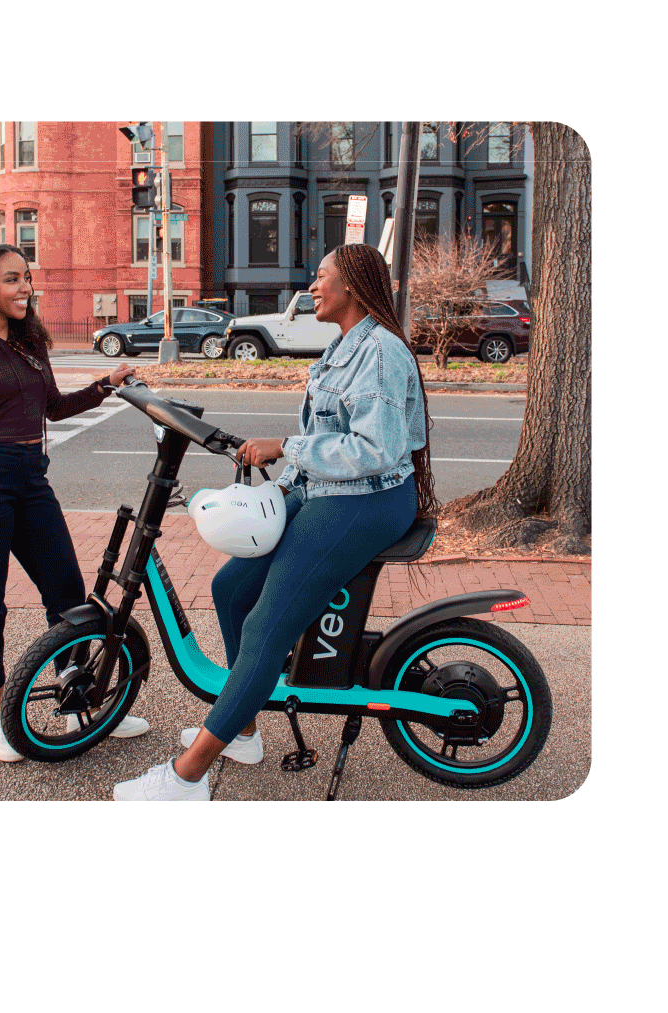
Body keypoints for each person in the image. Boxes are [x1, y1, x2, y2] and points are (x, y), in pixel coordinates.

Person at [114, 243, 437, 800]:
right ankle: (241, 730)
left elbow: (375, 451)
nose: (312, 286)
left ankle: (186, 778)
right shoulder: (344, 346)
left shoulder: (380, 352)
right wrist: (282, 485)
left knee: (267, 627)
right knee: (231, 588)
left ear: (352, 286)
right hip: (330, 489)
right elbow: (324, 444)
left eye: (321, 276)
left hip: (369, 500)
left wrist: (285, 447)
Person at [0, 243, 148, 762]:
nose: (25, 287)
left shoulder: (29, 343)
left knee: (67, 594)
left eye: (26, 277)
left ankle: (78, 698)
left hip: (31, 479)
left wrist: (104, 386)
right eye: (12, 279)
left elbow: (53, 407)